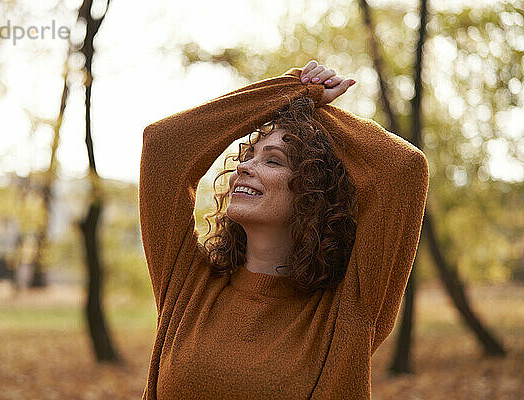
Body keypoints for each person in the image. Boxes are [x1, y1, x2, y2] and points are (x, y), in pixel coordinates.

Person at [139, 60, 429, 399]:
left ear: (313, 191)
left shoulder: (347, 311)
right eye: (247, 156)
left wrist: (308, 109)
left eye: (273, 160)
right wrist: (293, 91)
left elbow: (403, 170)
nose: (244, 167)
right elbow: (163, 145)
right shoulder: (189, 282)